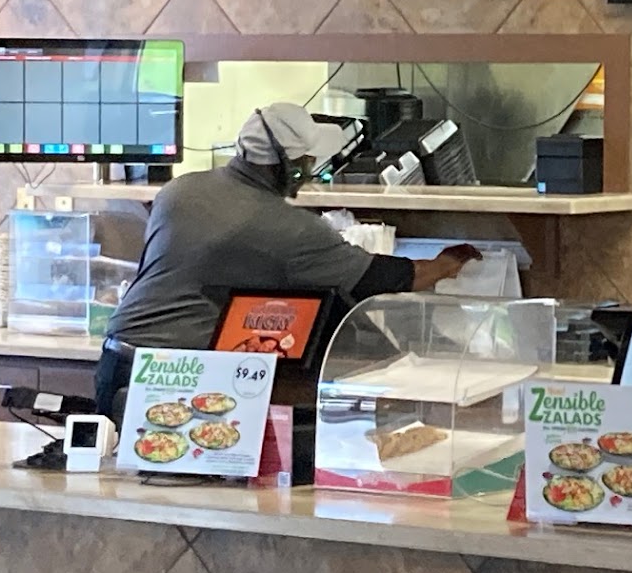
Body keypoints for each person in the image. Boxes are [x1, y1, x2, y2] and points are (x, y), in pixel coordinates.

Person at [95, 103, 478, 420]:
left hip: (116, 361)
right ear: (286, 165)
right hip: (181, 375)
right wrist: (443, 265)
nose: (311, 169)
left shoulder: (178, 190)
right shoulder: (290, 228)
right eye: (307, 161)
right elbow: (378, 278)